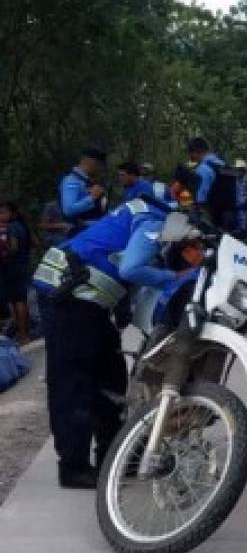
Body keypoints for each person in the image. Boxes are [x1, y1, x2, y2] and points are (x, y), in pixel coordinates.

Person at [32, 196, 188, 488]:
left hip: (88, 300)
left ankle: (112, 457)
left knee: (111, 377)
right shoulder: (153, 220)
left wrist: (123, 309)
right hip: (69, 297)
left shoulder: (143, 212)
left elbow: (114, 259)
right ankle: (74, 468)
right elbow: (131, 269)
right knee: (74, 383)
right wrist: (174, 276)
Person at [0, 202, 33, 344]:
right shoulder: (22, 225)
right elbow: (34, 243)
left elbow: (13, 248)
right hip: (23, 265)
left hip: (13, 268)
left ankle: (23, 334)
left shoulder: (12, 227)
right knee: (22, 300)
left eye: (3, 213)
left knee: (17, 301)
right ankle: (25, 334)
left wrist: (4, 253)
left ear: (12, 214)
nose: (1, 216)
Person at [59, 147, 108, 235]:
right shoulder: (72, 181)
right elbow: (68, 210)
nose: (100, 169)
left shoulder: (89, 181)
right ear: (91, 162)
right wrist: (92, 197)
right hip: (80, 231)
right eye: (99, 165)